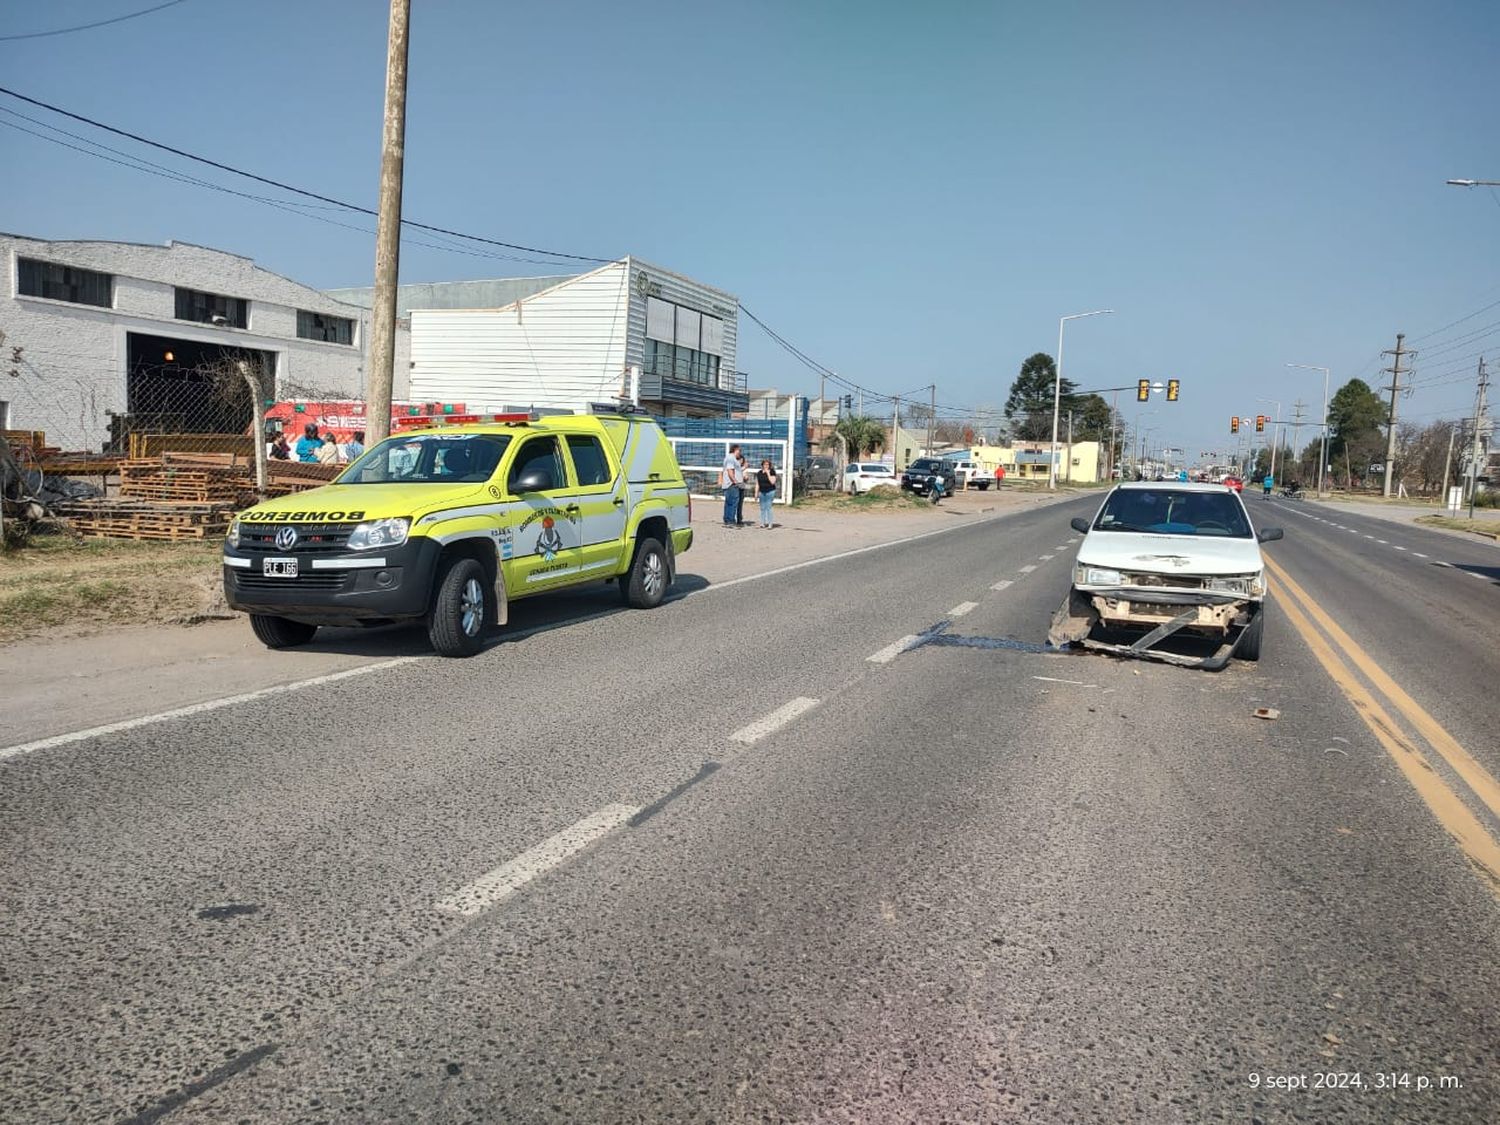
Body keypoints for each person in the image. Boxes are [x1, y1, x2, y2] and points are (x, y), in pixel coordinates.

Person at [721, 444, 743, 528]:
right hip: (731, 484)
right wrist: (735, 481)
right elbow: (730, 471)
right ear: (735, 450)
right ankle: (730, 521)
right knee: (733, 503)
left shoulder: (731, 459)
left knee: (729, 502)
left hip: (730, 484)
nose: (740, 453)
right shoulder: (731, 458)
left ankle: (727, 520)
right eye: (739, 451)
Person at [755, 459, 778, 528]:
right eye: (765, 464)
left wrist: (768, 473)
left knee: (768, 507)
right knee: (762, 508)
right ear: (762, 465)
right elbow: (757, 483)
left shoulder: (772, 472)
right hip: (762, 491)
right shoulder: (759, 473)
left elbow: (772, 482)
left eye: (767, 465)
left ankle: (770, 523)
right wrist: (756, 493)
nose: (766, 466)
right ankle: (762, 523)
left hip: (770, 491)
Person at [735, 450, 750, 525]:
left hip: (741, 487)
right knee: (735, 503)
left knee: (740, 504)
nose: (741, 461)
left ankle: (739, 518)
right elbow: (737, 473)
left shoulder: (744, 469)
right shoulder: (735, 468)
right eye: (739, 460)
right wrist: (744, 468)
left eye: (742, 460)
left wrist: (746, 478)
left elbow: (746, 477)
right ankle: (733, 518)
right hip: (735, 487)